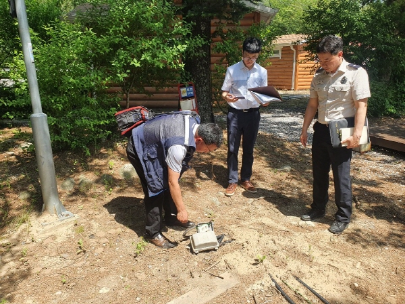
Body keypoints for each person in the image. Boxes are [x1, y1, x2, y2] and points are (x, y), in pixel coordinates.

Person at [300, 35, 370, 234]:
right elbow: (312, 104)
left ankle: (342, 216)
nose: (323, 64)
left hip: (342, 129)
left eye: (327, 60)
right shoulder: (318, 75)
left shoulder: (356, 73)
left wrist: (357, 134)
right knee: (319, 172)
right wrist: (304, 129)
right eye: (320, 60)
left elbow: (361, 106)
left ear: (340, 54)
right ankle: (318, 208)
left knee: (341, 175)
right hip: (321, 129)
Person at [126, 111, 223, 249]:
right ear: (199, 140)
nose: (206, 153)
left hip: (158, 143)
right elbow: (172, 182)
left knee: (167, 178)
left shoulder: (194, 123)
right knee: (156, 186)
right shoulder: (178, 148)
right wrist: (182, 209)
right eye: (208, 150)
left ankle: (170, 217)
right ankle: (152, 233)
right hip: (139, 146)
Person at [221, 37, 268, 196]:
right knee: (233, 148)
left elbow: (264, 94)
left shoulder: (262, 72)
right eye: (248, 56)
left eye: (254, 57)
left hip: (253, 115)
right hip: (235, 114)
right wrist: (227, 97)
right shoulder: (232, 70)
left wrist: (266, 101)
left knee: (249, 148)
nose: (250, 60)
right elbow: (224, 92)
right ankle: (232, 180)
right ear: (242, 53)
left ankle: (246, 178)